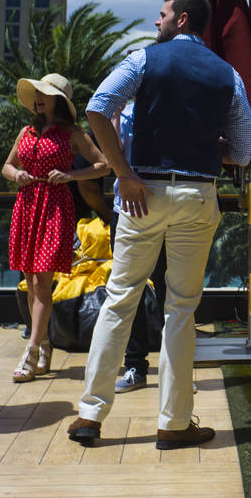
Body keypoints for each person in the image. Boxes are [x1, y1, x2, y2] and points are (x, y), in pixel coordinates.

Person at [67, 0, 251, 449]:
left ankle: (90, 415)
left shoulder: (143, 60)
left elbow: (97, 106)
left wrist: (123, 173)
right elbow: (244, 150)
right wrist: (203, 144)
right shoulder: (228, 74)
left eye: (163, 14)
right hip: (197, 194)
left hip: (142, 194)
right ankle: (174, 423)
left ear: (182, 18)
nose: (157, 21)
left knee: (119, 299)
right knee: (182, 308)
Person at [2, 73, 108, 383]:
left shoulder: (73, 133)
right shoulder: (26, 131)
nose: (38, 98)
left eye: (44, 93)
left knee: (43, 281)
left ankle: (32, 350)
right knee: (31, 280)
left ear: (58, 100)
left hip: (55, 208)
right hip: (26, 206)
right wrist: (16, 175)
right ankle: (45, 345)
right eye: (36, 93)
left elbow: (103, 165)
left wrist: (71, 176)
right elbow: (7, 166)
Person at [109, 101, 169, 394]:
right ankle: (135, 366)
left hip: (167, 211)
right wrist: (115, 114)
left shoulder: (169, 108)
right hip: (126, 211)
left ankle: (176, 370)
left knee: (170, 290)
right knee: (129, 292)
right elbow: (112, 156)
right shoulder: (124, 113)